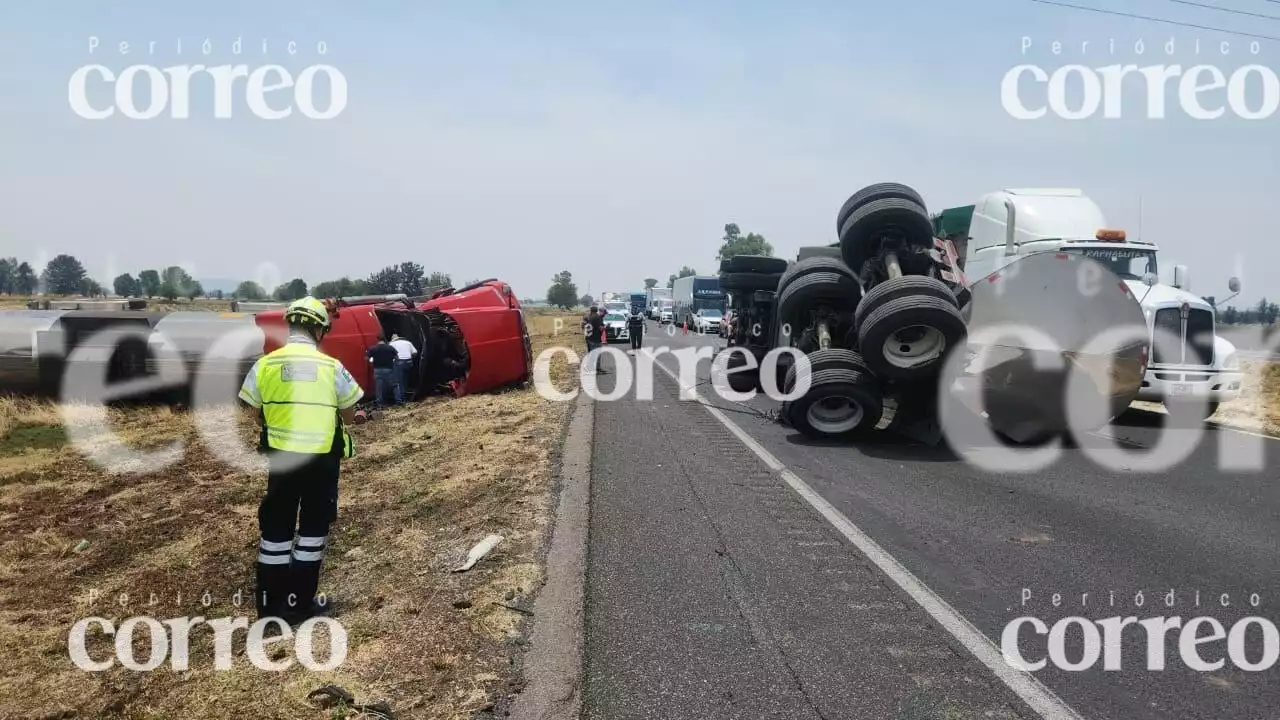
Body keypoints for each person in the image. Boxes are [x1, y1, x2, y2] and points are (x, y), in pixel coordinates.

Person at [238, 296, 363, 624]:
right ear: (320, 331)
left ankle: (269, 610)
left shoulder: (264, 365)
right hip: (321, 462)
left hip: (282, 461)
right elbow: (349, 416)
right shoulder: (332, 367)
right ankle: (298, 606)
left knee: (275, 533)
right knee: (311, 534)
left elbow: (254, 413)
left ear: (290, 325)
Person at [365, 335, 398, 408]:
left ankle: (380, 404)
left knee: (379, 388)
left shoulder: (373, 348)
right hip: (388, 369)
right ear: (384, 340)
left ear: (377, 339)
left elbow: (367, 358)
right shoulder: (390, 347)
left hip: (377, 370)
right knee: (394, 385)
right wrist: (392, 362)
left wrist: (372, 363)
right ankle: (398, 401)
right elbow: (396, 357)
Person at [388, 333, 418, 403]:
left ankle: (401, 400)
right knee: (405, 380)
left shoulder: (392, 344)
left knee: (398, 381)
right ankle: (407, 396)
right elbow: (415, 352)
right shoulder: (408, 342)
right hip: (409, 362)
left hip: (399, 363)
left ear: (392, 339)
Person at [583, 306, 607, 374]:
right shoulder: (597, 317)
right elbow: (600, 328)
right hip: (596, 338)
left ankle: (595, 368)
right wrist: (606, 327)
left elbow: (583, 326)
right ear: (597, 310)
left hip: (589, 338)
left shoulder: (587, 317)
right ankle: (593, 368)